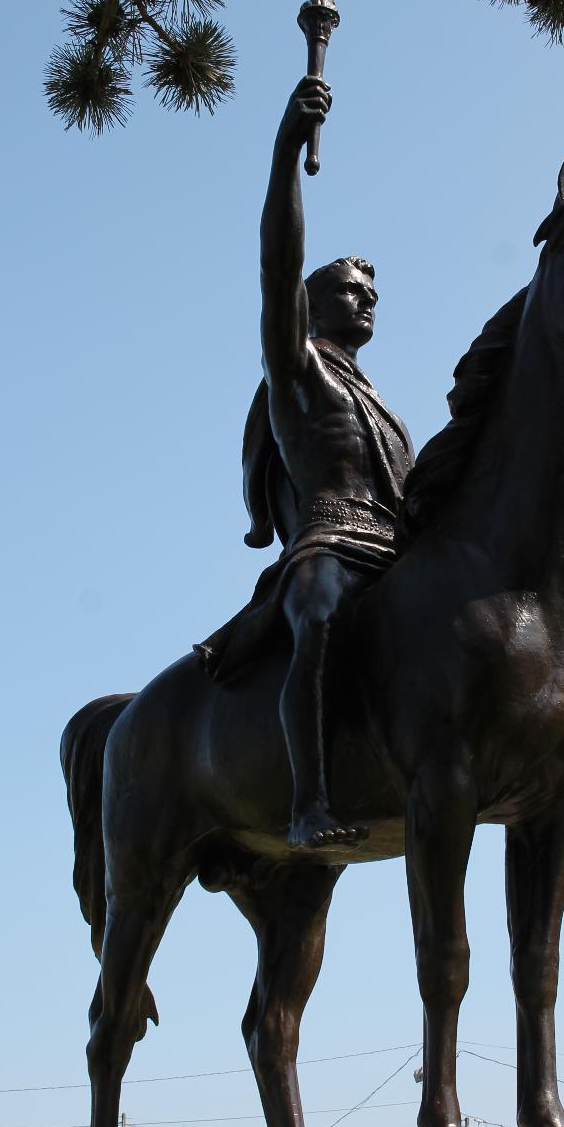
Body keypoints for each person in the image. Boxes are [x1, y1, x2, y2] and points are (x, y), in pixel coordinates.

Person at [195, 74, 413, 851]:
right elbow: (277, 263)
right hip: (328, 544)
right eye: (352, 291)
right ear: (313, 304)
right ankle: (308, 802)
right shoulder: (299, 371)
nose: (368, 303)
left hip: (397, 550)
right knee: (318, 620)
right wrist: (288, 148)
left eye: (373, 296)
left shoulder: (382, 402)